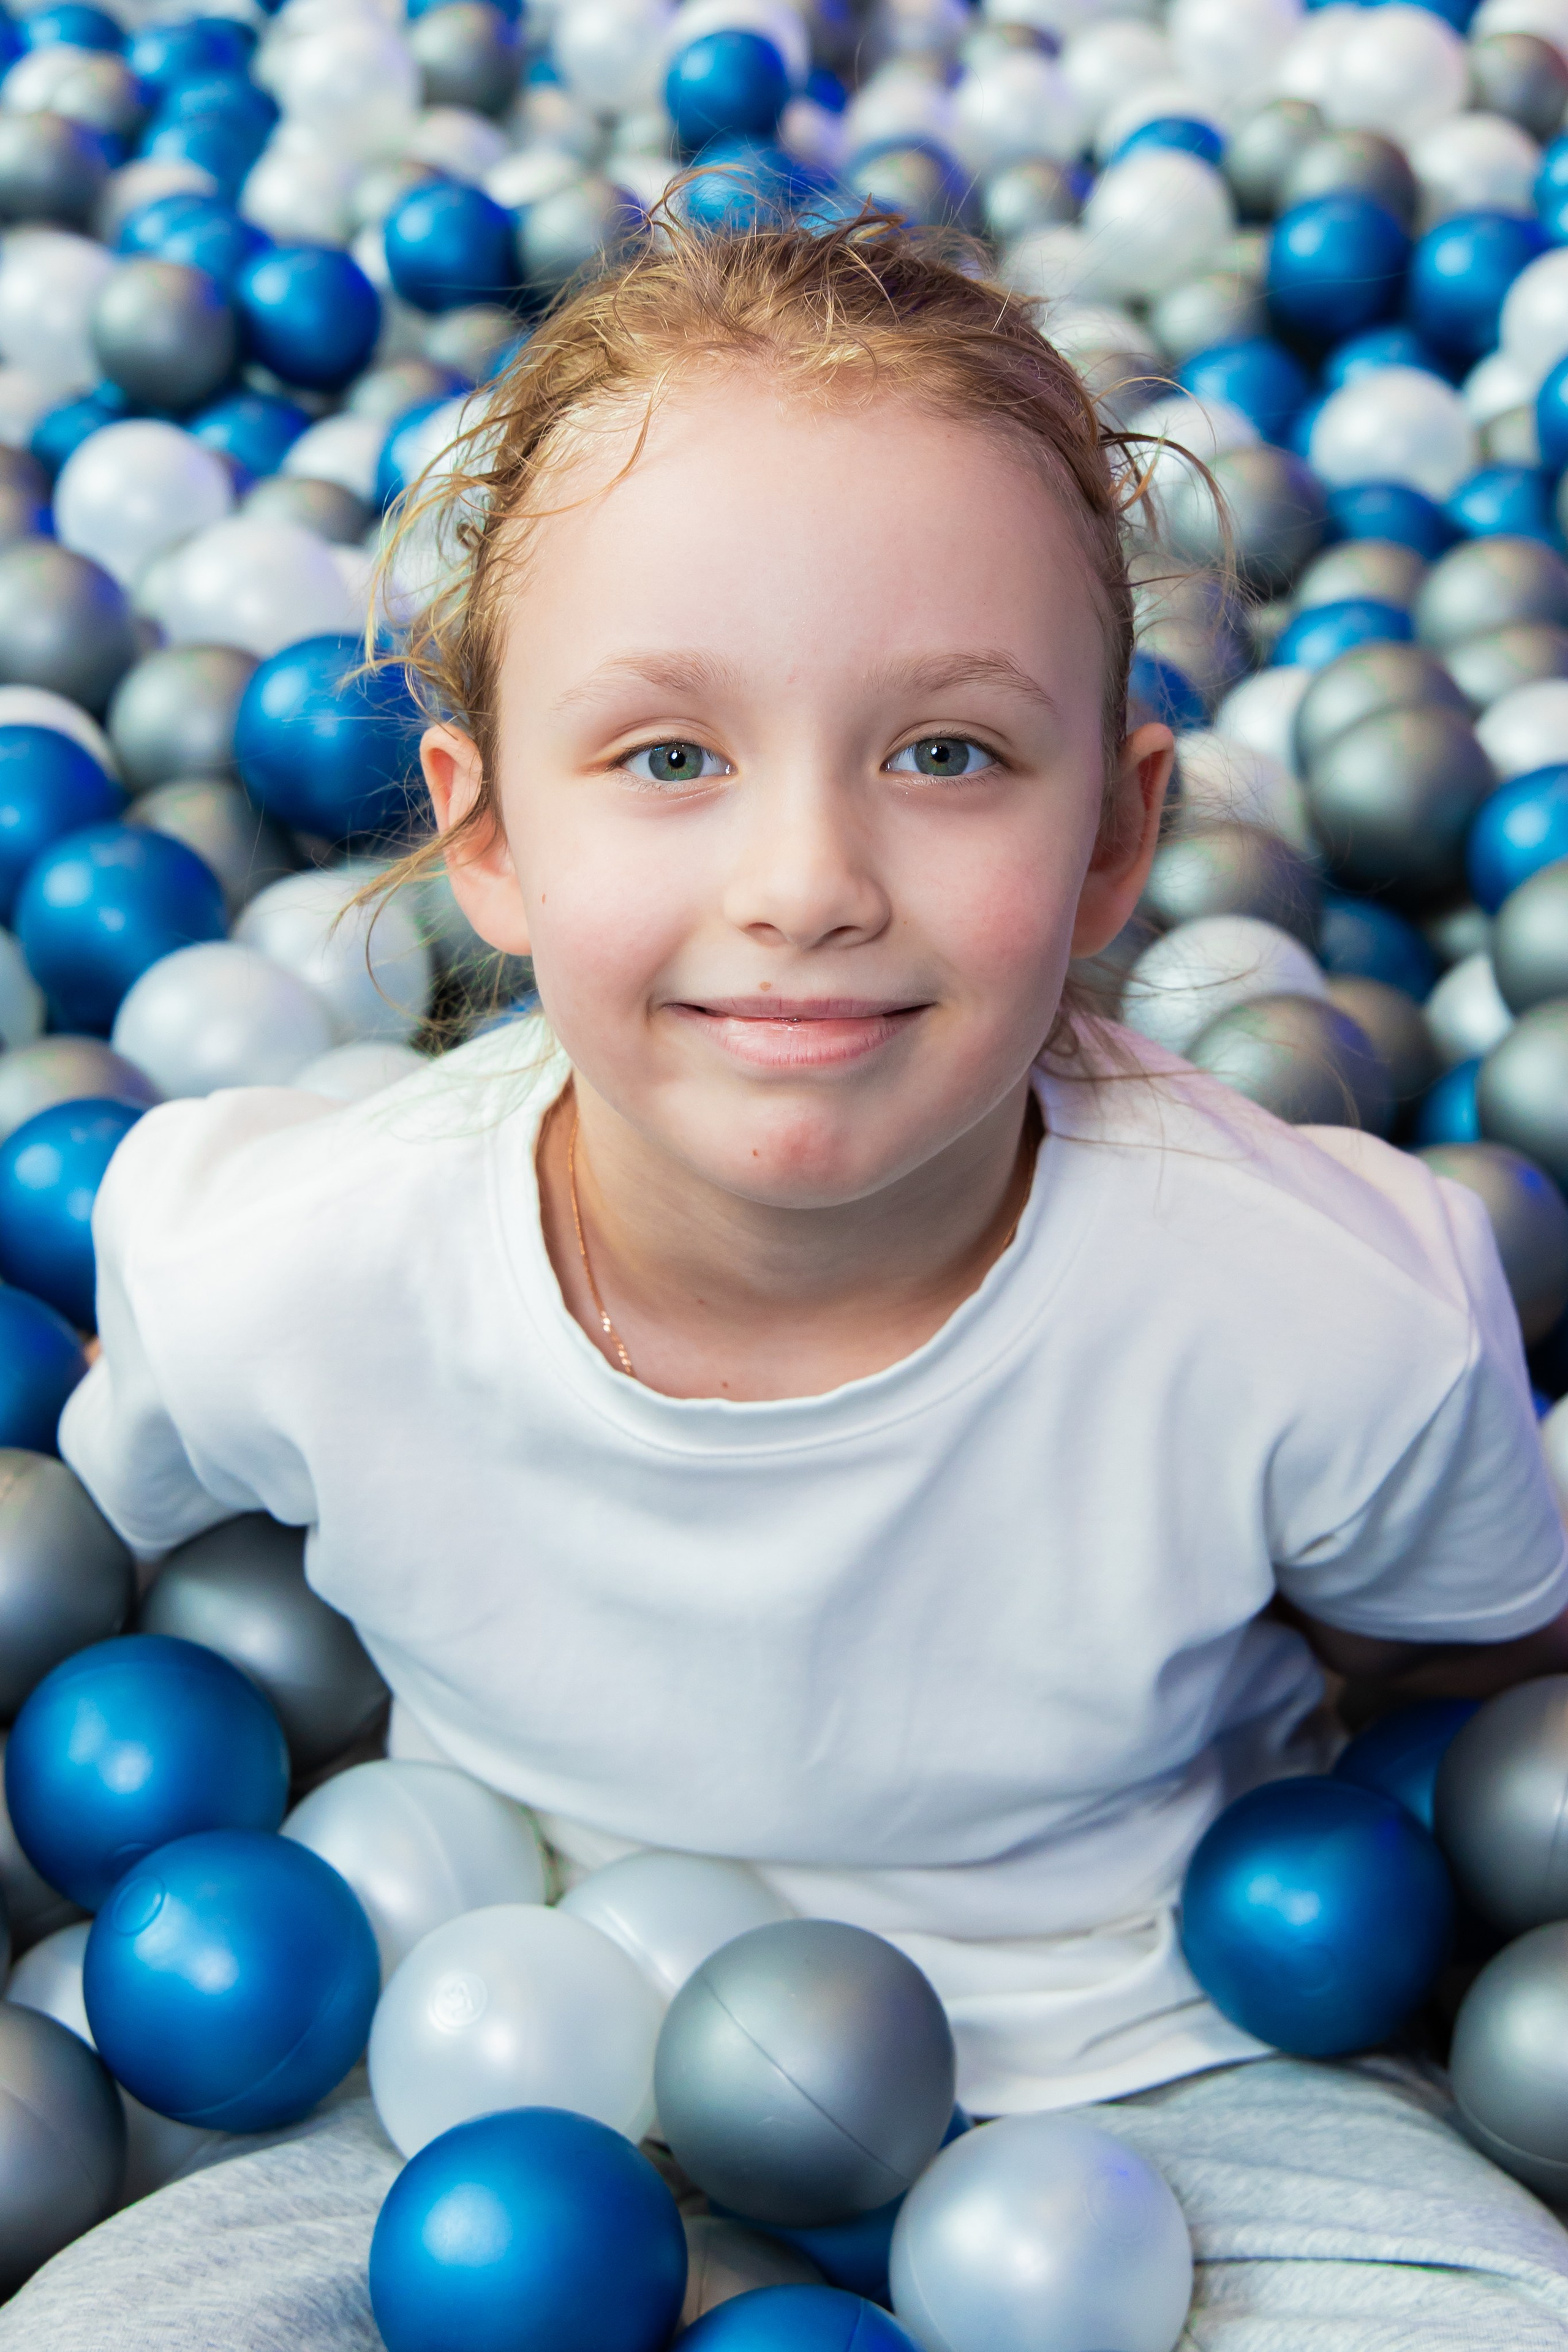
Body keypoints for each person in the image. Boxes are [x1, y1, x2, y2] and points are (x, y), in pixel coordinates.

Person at [10, 212, 1568, 2350]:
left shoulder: (1326, 1306)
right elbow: (111, 1510)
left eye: (946, 754)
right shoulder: (285, 1263)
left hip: (1152, 2083)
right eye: (669, 756)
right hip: (459, 2068)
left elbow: (1471, 1666)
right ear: (487, 834)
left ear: (1117, 837)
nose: (808, 885)